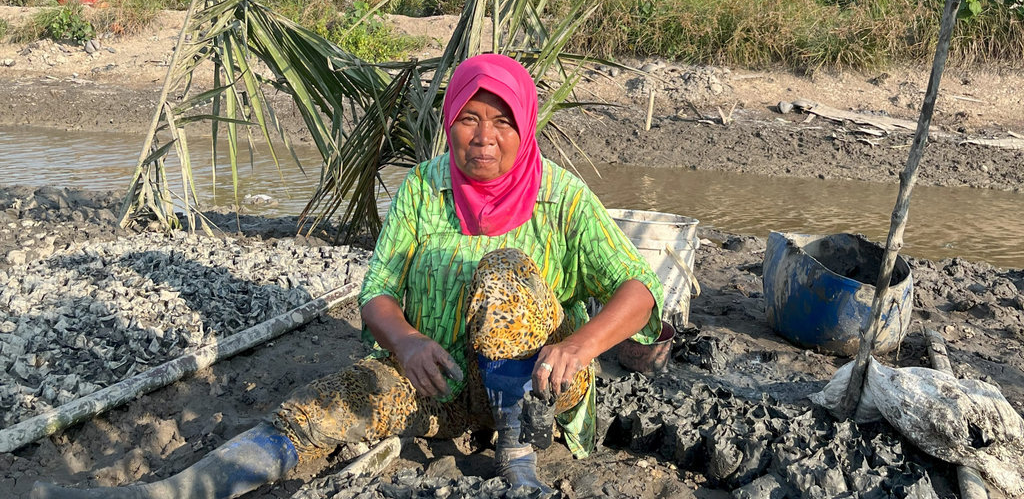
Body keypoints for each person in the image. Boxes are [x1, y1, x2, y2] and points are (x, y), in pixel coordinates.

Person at [31, 53, 664, 499]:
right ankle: (178, 490)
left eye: (503, 121)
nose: (484, 137)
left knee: (504, 270)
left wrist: (580, 346)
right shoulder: (424, 188)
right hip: (435, 383)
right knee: (318, 409)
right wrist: (408, 342)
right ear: (450, 122)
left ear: (524, 125)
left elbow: (637, 290)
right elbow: (378, 293)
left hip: (535, 393)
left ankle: (517, 456)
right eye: (470, 117)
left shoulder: (561, 195)